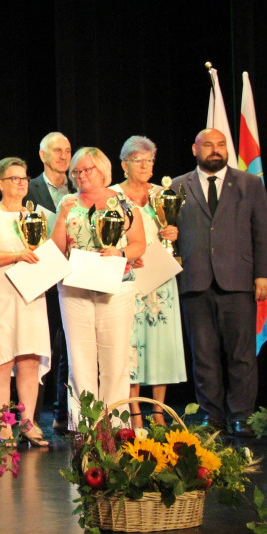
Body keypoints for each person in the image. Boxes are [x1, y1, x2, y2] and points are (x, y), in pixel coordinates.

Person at [172, 128, 267, 436]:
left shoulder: (249, 183)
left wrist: (264, 274)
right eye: (208, 146)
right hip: (194, 281)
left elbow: (264, 231)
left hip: (239, 281)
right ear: (195, 149)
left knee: (241, 354)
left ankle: (241, 415)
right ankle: (211, 416)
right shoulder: (177, 186)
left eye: (220, 145)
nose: (215, 151)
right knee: (203, 355)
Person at [50, 147, 145, 427]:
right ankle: (85, 427)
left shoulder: (123, 202)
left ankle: (116, 427)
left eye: (86, 170)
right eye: (76, 172)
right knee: (79, 360)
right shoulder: (67, 202)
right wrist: (60, 217)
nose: (80, 176)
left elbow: (139, 244)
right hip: (75, 288)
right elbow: (56, 249)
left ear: (102, 170)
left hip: (115, 285)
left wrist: (122, 254)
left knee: (115, 359)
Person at [0, 157, 51, 447]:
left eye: (24, 178)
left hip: (30, 296)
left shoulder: (36, 216)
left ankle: (28, 424)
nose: (20, 183)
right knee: (1, 360)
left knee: (29, 358)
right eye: (14, 178)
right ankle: (2, 425)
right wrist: (15, 256)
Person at [110, 136, 187, 428]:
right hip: (130, 275)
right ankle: (133, 412)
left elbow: (175, 230)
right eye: (138, 160)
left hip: (160, 278)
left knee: (160, 344)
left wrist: (173, 234)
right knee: (132, 344)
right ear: (124, 165)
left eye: (149, 160)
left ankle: (159, 411)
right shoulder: (113, 195)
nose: (144, 165)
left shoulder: (162, 194)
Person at [25, 132, 73, 434]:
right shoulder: (28, 188)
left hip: (73, 277)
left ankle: (64, 413)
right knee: (41, 348)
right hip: (40, 276)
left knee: (70, 349)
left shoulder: (80, 187)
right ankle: (32, 416)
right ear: (43, 155)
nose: (64, 156)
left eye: (68, 150)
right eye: (57, 151)